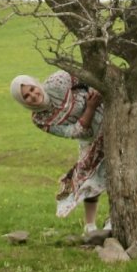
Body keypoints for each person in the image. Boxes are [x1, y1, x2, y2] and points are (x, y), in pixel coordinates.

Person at [10, 71, 108, 233]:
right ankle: (90, 226)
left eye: (33, 89)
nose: (33, 95)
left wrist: (93, 92)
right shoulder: (40, 119)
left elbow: (85, 74)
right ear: (22, 102)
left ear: (37, 84)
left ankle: (113, 220)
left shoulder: (57, 82)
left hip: (110, 120)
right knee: (87, 180)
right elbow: (75, 132)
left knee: (117, 174)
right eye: (26, 96)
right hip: (90, 140)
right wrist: (90, 107)